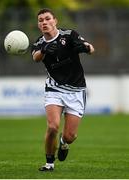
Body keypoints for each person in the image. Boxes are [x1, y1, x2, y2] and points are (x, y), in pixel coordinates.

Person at [31, 8, 94, 171]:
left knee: (70, 136)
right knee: (52, 126)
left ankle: (63, 143)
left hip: (76, 90)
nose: (44, 22)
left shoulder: (69, 35)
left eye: (47, 19)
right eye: (40, 20)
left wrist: (84, 47)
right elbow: (35, 57)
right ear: (38, 25)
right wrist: (44, 50)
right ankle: (49, 163)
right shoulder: (39, 43)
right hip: (54, 89)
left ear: (55, 21)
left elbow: (90, 48)